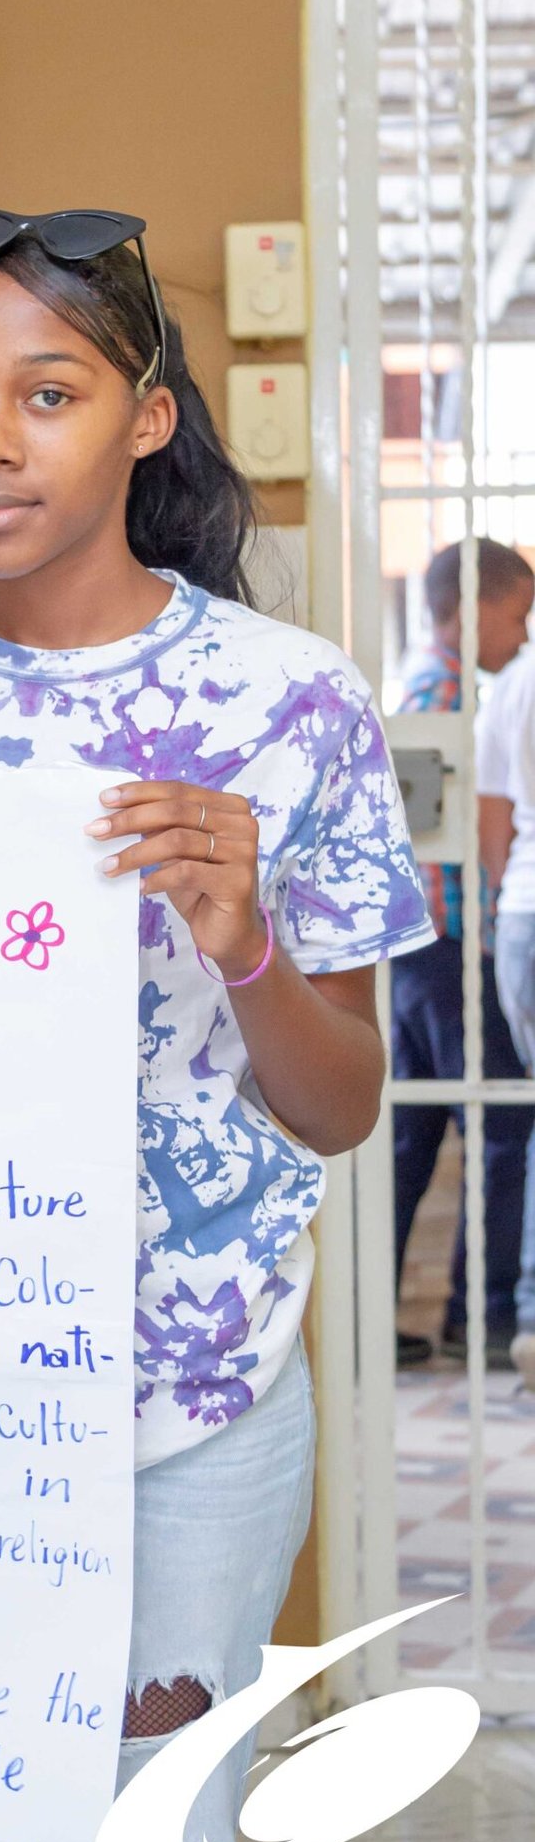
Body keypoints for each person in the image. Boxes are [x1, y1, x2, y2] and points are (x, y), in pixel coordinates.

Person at [0, 205, 433, 1842]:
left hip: (186, 1408)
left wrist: (246, 939)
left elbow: (342, 1102)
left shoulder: (292, 703)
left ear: (147, 417)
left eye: (46, 393)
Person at [390, 538, 533, 1369]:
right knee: (504, 1123)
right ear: (475, 610)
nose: (523, 635)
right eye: (517, 616)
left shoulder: (427, 683)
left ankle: (382, 1317)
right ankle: (485, 1317)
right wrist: (480, 934)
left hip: (418, 952)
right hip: (451, 947)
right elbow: (447, 839)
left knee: (414, 1131)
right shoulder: (447, 696)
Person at [477, 617, 535, 1389]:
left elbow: (492, 819)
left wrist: (497, 909)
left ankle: (530, 1315)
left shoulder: (512, 683)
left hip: (522, 910)